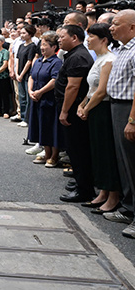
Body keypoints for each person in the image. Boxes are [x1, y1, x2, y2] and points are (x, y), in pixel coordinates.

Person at [77, 23, 120, 213]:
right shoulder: (99, 59)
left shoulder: (109, 59)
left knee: (106, 152)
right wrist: (82, 104)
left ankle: (113, 196)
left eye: (91, 36)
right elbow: (91, 89)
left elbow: (102, 91)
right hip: (94, 107)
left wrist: (86, 109)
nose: (87, 40)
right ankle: (102, 193)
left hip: (103, 109)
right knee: (98, 152)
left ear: (103, 39)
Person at [56, 25, 95, 202]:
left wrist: (64, 111)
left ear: (74, 38)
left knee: (78, 148)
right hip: (72, 107)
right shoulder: (73, 54)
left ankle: (84, 189)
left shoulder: (78, 57)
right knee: (74, 148)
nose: (59, 40)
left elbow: (73, 87)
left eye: (62, 37)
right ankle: (80, 181)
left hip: (73, 110)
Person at [105, 10, 135, 238]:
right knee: (122, 161)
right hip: (116, 106)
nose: (111, 28)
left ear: (132, 27)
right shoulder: (121, 49)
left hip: (128, 109)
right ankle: (128, 207)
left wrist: (132, 120)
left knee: (131, 161)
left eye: (116, 24)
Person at [28, 32, 62, 167]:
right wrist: (31, 91)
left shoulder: (56, 62)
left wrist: (40, 92)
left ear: (54, 47)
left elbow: (55, 80)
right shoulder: (38, 61)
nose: (42, 48)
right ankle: (46, 153)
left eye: (45, 45)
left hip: (49, 99)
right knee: (40, 126)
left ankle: (54, 156)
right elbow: (31, 76)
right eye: (41, 45)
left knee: (50, 127)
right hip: (36, 99)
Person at [12, 25, 38, 127]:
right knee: (21, 96)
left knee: (27, 98)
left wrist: (22, 74)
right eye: (21, 33)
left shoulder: (32, 46)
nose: (21, 35)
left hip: (27, 75)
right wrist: (17, 73)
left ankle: (27, 119)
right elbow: (17, 59)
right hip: (19, 74)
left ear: (30, 34)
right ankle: (22, 117)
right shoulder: (21, 46)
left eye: (24, 33)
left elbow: (29, 61)